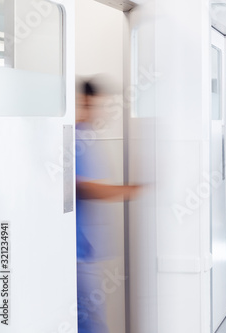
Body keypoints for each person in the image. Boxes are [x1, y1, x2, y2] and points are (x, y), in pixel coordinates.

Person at [76, 78, 140, 333]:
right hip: (77, 254)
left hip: (86, 251)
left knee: (90, 320)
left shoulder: (88, 136)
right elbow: (85, 188)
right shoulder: (78, 137)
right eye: (102, 104)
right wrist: (132, 190)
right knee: (90, 323)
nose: (104, 111)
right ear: (88, 102)